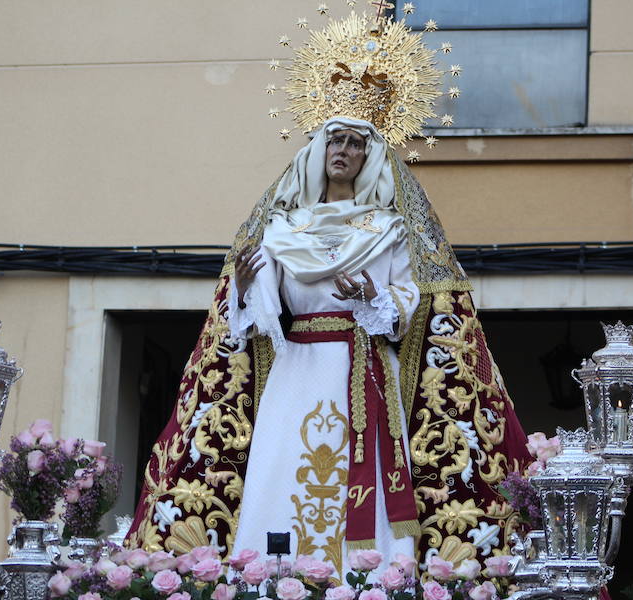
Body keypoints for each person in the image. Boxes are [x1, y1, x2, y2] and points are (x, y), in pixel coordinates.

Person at [125, 116, 532, 576]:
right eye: (335, 140)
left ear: (367, 158)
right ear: (319, 151)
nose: (343, 150)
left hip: (365, 367)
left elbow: (408, 301)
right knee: (284, 465)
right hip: (297, 367)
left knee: (364, 469)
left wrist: (372, 298)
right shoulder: (283, 228)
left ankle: (372, 576)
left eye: (355, 143)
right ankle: (271, 576)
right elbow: (257, 317)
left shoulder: (389, 229)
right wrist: (242, 289)